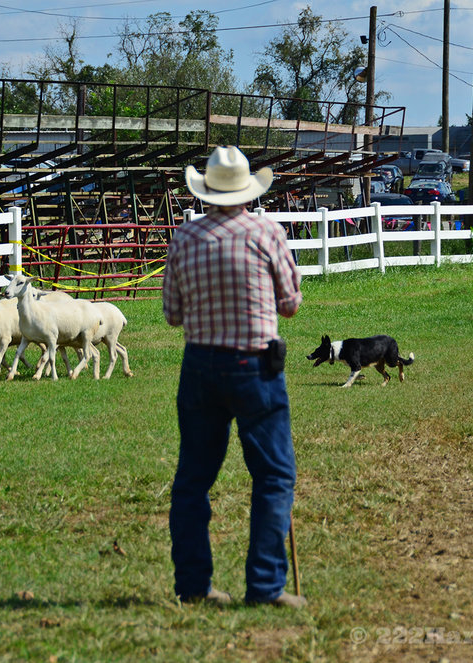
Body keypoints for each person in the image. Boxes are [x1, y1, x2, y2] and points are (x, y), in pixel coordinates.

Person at [162, 146, 305, 608]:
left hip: (201, 364)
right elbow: (290, 304)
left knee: (193, 479)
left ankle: (194, 587)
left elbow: (172, 315)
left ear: (205, 191)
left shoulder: (184, 238)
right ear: (247, 190)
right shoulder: (266, 232)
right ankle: (264, 588)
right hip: (254, 366)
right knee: (273, 475)